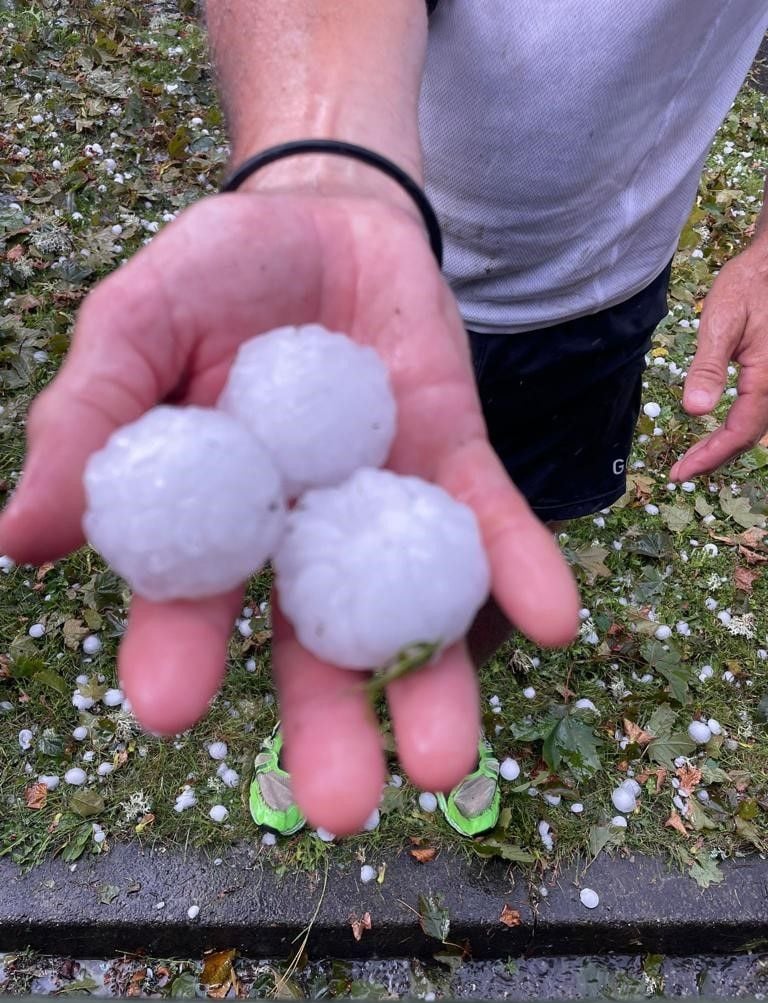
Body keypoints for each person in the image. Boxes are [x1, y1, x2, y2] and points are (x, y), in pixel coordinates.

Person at [1, 2, 767, 837]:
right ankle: (337, 685)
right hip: (357, 249)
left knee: (511, 526)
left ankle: (422, 674)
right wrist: (319, 155)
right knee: (341, 520)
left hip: (596, 286)